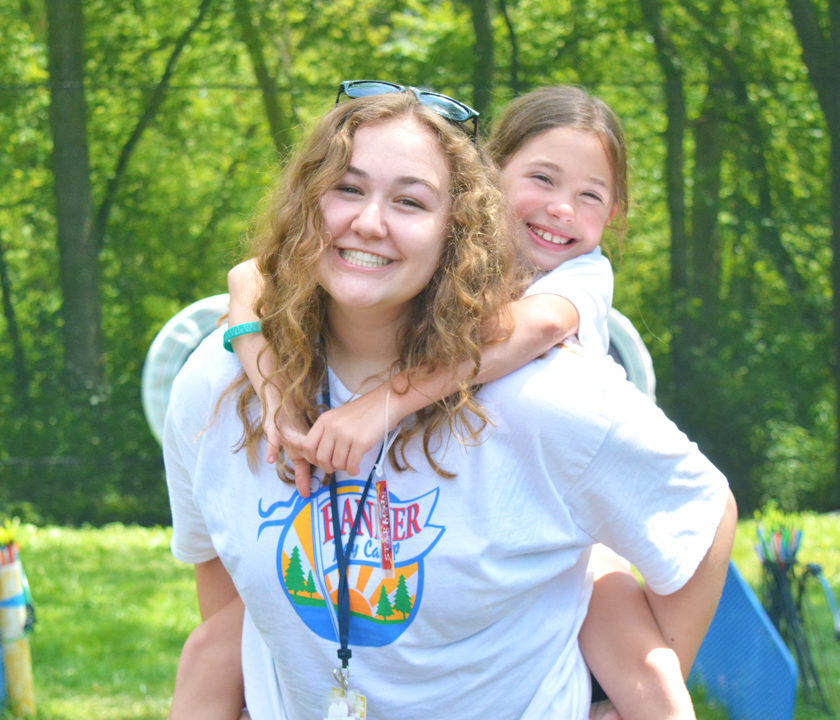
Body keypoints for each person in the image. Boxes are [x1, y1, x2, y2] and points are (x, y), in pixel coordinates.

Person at [164, 87, 736, 720]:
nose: (371, 222)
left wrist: (640, 688)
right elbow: (249, 280)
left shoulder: (552, 388)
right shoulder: (214, 389)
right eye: (347, 189)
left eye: (410, 201)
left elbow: (702, 516)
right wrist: (271, 388)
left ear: (460, 228)